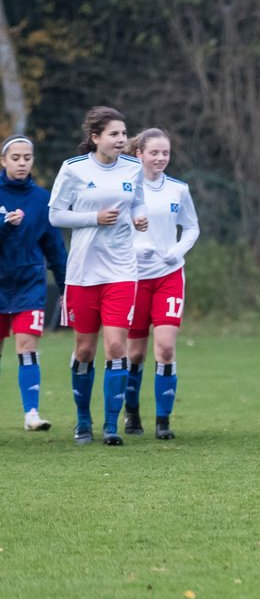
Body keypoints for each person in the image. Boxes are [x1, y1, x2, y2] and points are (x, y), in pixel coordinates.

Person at [48, 106, 148, 445]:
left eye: (123, 134)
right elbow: (56, 216)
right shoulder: (74, 169)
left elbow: (137, 202)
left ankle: (110, 427)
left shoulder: (134, 167)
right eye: (114, 134)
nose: (121, 140)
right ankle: (82, 421)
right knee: (85, 350)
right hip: (82, 272)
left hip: (121, 269)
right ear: (95, 138)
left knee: (116, 347)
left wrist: (140, 217)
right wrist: (94, 217)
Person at [120, 128, 199, 439]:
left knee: (165, 349)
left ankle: (163, 421)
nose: (161, 158)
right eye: (154, 152)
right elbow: (114, 230)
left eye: (165, 153)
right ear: (139, 154)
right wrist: (136, 248)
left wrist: (176, 252)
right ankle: (132, 414)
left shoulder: (178, 190)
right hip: (133, 278)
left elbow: (191, 228)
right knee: (134, 353)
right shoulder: (125, 189)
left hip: (168, 277)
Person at [0, 134, 67, 432]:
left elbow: (54, 248)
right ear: (3, 161)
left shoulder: (42, 200)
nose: (22, 163)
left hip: (29, 286)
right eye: (15, 158)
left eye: (27, 158)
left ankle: (31, 414)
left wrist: (66, 286)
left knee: (26, 346)